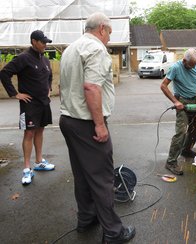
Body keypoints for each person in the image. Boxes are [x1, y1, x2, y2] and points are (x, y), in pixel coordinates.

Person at [59, 12, 136, 244]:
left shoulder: (71, 48)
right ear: (102, 28)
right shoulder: (96, 49)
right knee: (102, 178)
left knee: (83, 174)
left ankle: (86, 219)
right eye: (109, 33)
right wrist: (100, 125)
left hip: (69, 120)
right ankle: (113, 232)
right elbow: (91, 87)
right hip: (87, 124)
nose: (109, 39)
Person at [0, 30, 55, 185]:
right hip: (29, 105)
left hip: (44, 103)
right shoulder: (23, 58)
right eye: (43, 42)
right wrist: (15, 94)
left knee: (40, 130)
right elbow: (4, 73)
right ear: (33, 42)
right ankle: (26, 168)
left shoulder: (45, 60)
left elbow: (49, 76)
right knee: (29, 133)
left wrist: (49, 89)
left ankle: (39, 162)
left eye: (46, 42)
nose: (45, 45)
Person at [160, 48, 196, 175]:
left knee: (195, 129)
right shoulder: (175, 68)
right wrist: (175, 102)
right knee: (181, 133)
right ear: (184, 61)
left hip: (194, 101)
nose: (193, 68)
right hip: (182, 102)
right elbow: (163, 85)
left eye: (195, 65)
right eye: (191, 65)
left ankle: (186, 150)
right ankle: (171, 162)